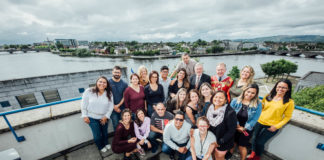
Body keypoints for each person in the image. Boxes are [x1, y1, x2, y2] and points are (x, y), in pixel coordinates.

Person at [248, 79, 294, 160]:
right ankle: (252, 153)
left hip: (272, 125)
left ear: (288, 89)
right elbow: (261, 108)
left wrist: (277, 126)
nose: (280, 89)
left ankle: (257, 156)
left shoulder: (289, 102)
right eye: (279, 86)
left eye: (284, 87)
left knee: (260, 142)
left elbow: (287, 117)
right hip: (259, 121)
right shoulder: (268, 96)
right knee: (254, 139)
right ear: (276, 86)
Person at [81, 76, 114, 153]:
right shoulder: (89, 91)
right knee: (97, 135)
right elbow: (83, 104)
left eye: (104, 82)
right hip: (92, 118)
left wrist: (106, 116)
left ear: (107, 84)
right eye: (100, 81)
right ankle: (100, 146)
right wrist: (84, 115)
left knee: (104, 132)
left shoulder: (109, 93)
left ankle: (106, 142)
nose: (102, 83)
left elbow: (111, 106)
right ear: (97, 82)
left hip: (104, 117)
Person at [229, 84, 262, 160]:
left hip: (247, 128)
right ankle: (229, 156)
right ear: (244, 91)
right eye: (248, 91)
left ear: (256, 94)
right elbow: (230, 114)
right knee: (232, 142)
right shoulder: (235, 101)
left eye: (253, 93)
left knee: (242, 145)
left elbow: (255, 119)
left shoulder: (258, 105)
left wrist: (244, 128)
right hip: (234, 126)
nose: (250, 94)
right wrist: (237, 126)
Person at [206, 91, 237, 160]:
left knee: (219, 157)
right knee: (212, 155)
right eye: (216, 97)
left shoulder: (230, 112)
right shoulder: (209, 107)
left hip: (222, 141)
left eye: (221, 98)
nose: (217, 99)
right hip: (211, 139)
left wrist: (219, 142)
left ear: (226, 100)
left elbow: (231, 131)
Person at [109, 66, 129, 131]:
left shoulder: (124, 84)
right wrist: (114, 106)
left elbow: (124, 96)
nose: (117, 74)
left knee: (124, 124)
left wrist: (118, 106)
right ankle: (118, 140)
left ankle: (124, 139)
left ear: (120, 73)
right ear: (112, 72)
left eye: (118, 72)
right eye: (115, 72)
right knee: (116, 125)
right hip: (112, 109)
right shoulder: (108, 83)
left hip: (122, 108)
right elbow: (106, 96)